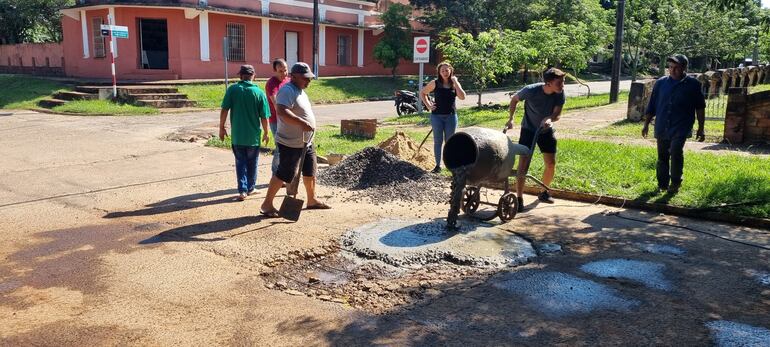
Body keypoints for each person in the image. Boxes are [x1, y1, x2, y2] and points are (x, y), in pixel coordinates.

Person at [260, 62, 331, 217]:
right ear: (294, 76)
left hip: (306, 142)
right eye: (305, 78)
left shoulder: (300, 90)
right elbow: (281, 111)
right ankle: (267, 204)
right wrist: (302, 123)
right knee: (284, 174)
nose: (308, 81)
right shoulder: (287, 90)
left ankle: (311, 200)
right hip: (290, 143)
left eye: (309, 78)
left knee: (310, 171)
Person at [642, 54, 706, 194]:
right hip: (662, 125)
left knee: (676, 151)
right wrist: (646, 124)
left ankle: (676, 182)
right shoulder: (661, 83)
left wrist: (701, 128)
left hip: (681, 125)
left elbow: (700, 107)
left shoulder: (693, 85)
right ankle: (662, 184)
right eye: (670, 67)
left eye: (676, 68)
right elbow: (652, 105)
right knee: (662, 156)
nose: (672, 70)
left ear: (684, 68)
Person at [505, 67, 566, 212]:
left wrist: (550, 119)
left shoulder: (559, 93)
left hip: (546, 131)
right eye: (559, 82)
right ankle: (519, 198)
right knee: (523, 165)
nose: (563, 85)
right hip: (528, 130)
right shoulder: (531, 90)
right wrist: (511, 119)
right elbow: (514, 100)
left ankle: (544, 193)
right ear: (549, 83)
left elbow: (557, 114)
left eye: (563, 82)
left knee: (550, 163)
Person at [219, 64, 271, 201]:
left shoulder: (232, 90)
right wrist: (266, 132)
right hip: (253, 137)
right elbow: (264, 117)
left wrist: (221, 127)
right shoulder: (259, 93)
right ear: (254, 76)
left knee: (240, 162)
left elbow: (224, 110)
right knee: (252, 162)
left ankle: (242, 191)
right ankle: (250, 188)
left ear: (240, 76)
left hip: (237, 136)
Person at [419, 62, 467, 173]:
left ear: (450, 71)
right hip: (437, 117)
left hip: (451, 117)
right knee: (438, 141)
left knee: (450, 142)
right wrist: (429, 105)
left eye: (447, 70)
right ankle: (437, 165)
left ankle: (451, 165)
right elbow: (423, 93)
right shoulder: (434, 83)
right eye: (442, 71)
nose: (445, 72)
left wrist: (456, 82)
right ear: (439, 73)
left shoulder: (454, 84)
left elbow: (462, 97)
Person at [265, 59, 290, 175]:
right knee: (280, 147)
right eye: (280, 71)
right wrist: (285, 117)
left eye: (285, 70)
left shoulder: (289, 81)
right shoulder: (271, 83)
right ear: (274, 71)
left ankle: (284, 173)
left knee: (288, 147)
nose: (283, 73)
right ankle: (276, 174)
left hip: (289, 119)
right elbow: (276, 103)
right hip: (276, 120)